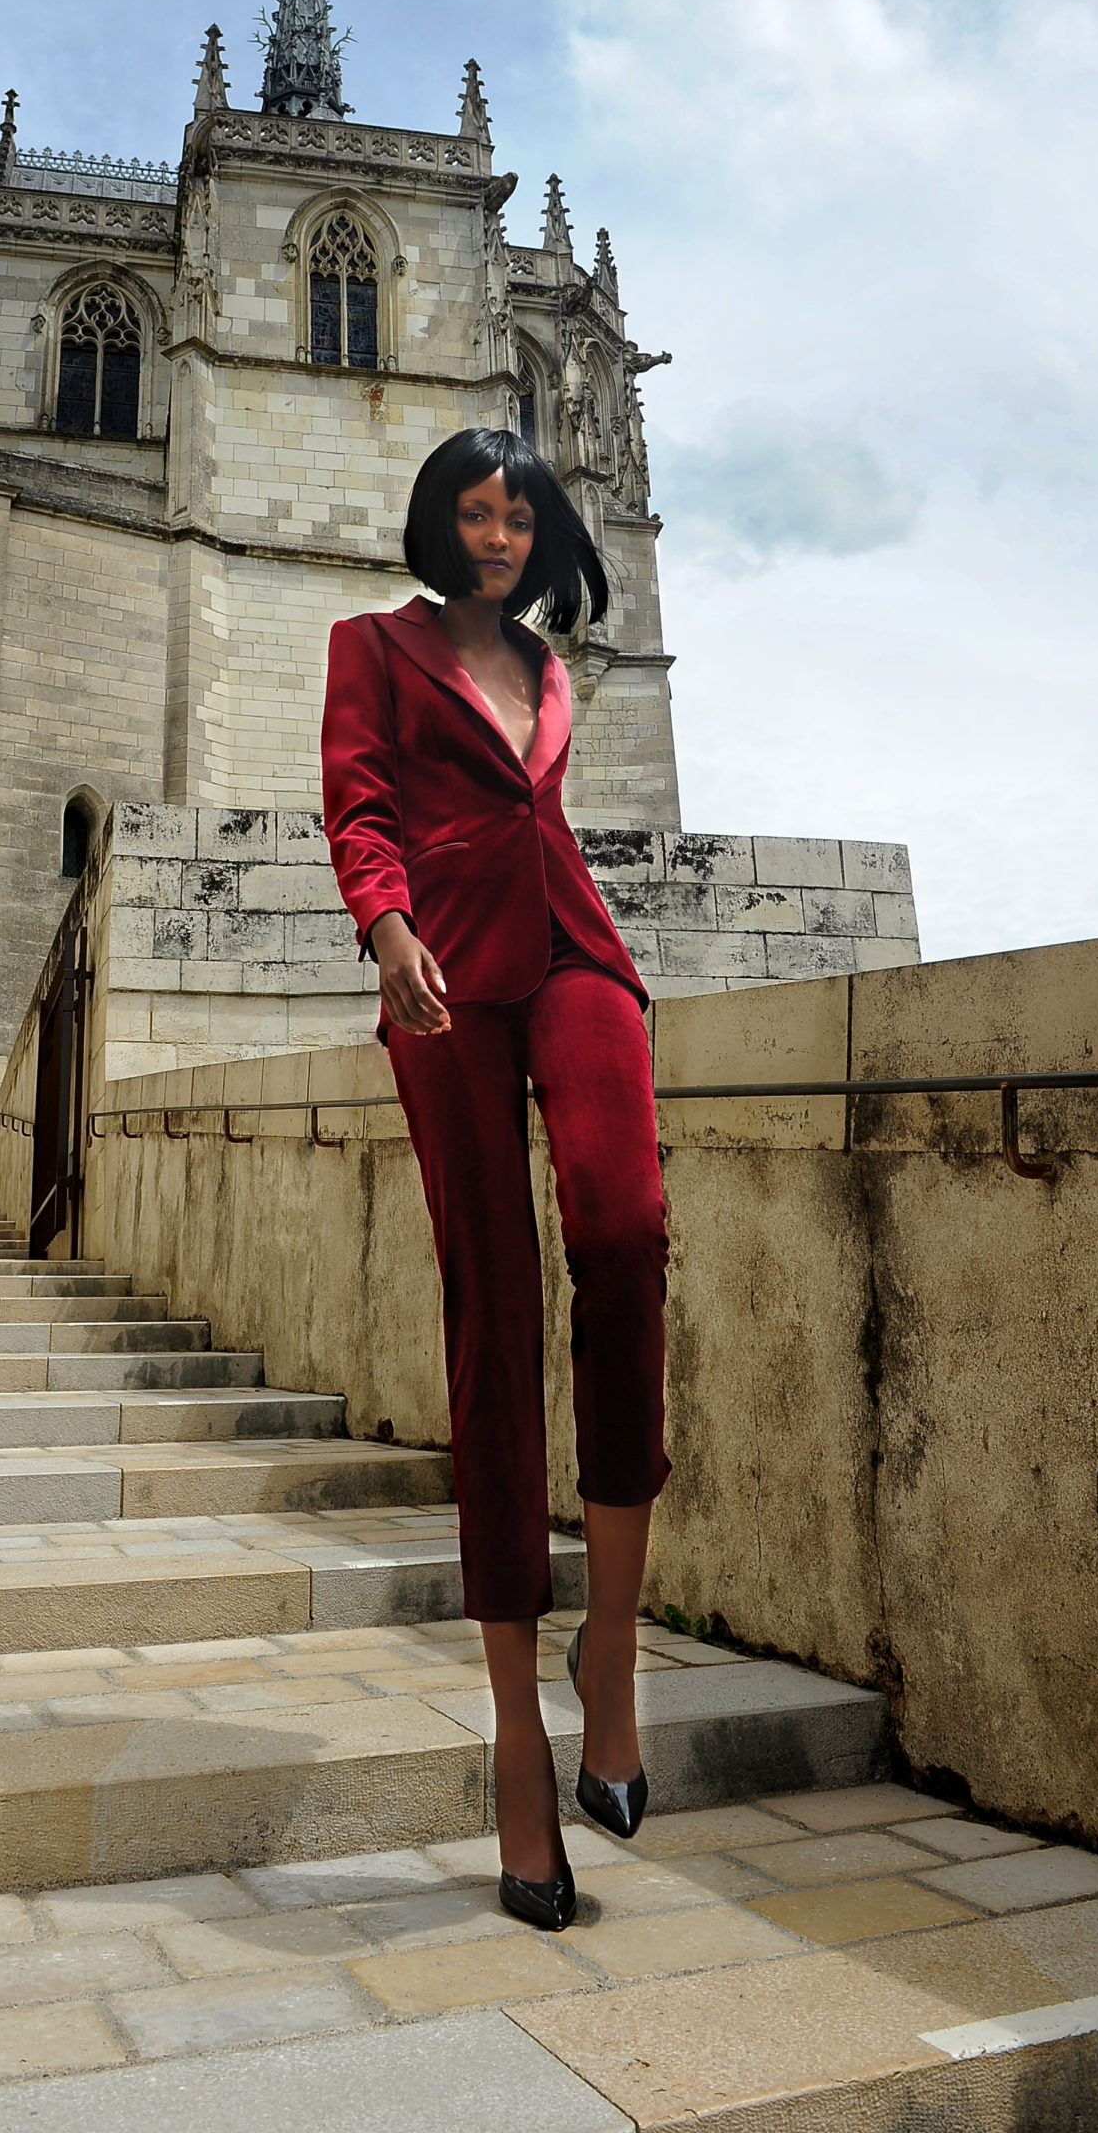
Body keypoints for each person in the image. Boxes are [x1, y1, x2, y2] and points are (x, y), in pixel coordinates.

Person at [321, 424, 671, 1931]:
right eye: (476, 512)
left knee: (626, 1235)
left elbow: (539, 812)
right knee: (494, 1305)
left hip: (577, 948)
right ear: (438, 521)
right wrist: (387, 929)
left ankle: (615, 1648)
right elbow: (359, 804)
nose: (500, 537)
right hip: (445, 975)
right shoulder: (371, 647)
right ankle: (520, 1733)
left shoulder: (552, 666)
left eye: (520, 517)